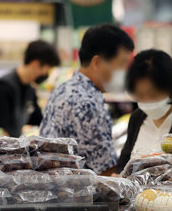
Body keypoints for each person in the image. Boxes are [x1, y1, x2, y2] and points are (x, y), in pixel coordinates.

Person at [40, 24, 134, 174]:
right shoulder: (87, 103)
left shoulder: (62, 89)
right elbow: (105, 171)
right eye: (122, 64)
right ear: (97, 63)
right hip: (80, 195)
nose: (124, 72)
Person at [0, 40, 60, 137]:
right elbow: (1, 130)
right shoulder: (3, 87)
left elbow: (39, 120)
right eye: (46, 69)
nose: (45, 74)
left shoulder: (29, 90)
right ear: (35, 63)